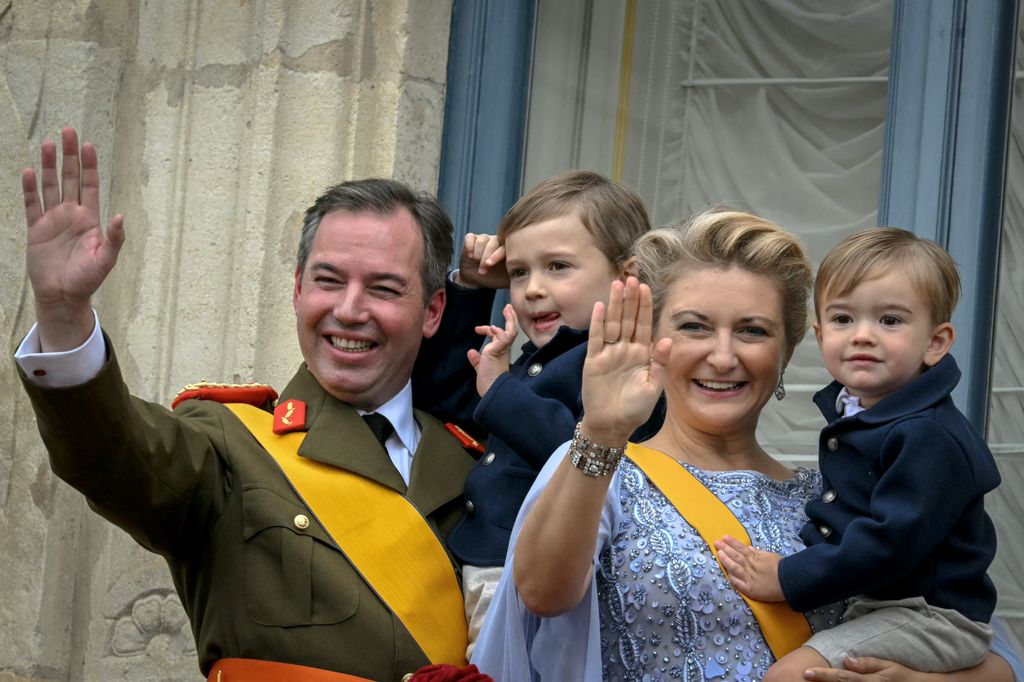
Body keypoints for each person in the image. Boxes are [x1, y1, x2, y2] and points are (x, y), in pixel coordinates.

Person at [470, 210, 1019, 681]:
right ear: (654, 338)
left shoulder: (838, 493)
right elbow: (541, 595)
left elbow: (987, 649)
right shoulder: (600, 466)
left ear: (787, 351)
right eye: (694, 327)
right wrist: (602, 431)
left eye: (753, 331)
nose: (723, 356)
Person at [15, 129, 477, 681]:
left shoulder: (475, 465)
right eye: (328, 281)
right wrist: (63, 314)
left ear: (433, 311)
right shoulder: (229, 441)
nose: (350, 310)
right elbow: (112, 457)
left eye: (383, 289)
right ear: (298, 290)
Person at [714, 228, 999, 678]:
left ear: (935, 343)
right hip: (887, 607)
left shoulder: (929, 434)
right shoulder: (867, 413)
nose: (863, 335)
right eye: (844, 319)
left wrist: (787, 577)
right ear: (820, 333)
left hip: (931, 616)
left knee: (789, 676)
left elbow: (890, 542)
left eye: (890, 320)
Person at [417, 170, 652, 654]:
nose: (532, 289)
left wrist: (501, 391)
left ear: (626, 276)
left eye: (558, 266)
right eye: (519, 272)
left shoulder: (622, 367)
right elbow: (442, 397)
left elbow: (584, 454)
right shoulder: (533, 358)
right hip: (473, 566)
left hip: (532, 580)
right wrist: (472, 287)